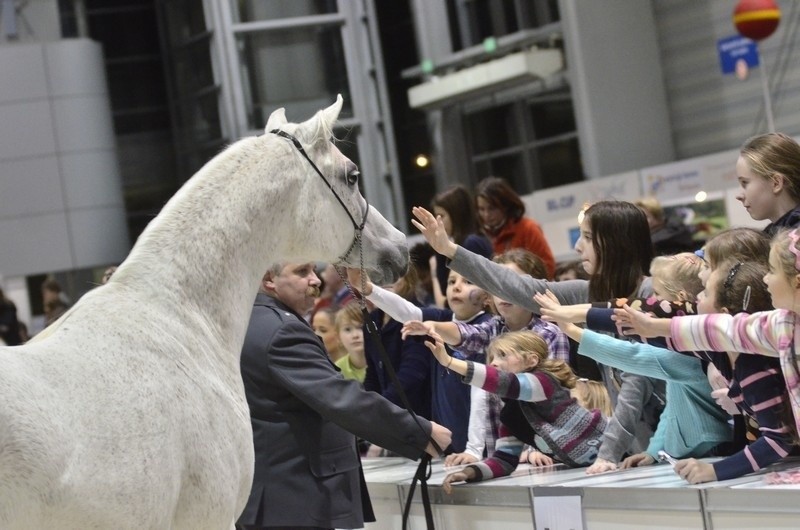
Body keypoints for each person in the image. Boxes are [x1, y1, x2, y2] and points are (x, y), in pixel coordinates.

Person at [412, 200, 667, 475]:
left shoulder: (652, 293)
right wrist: (450, 249)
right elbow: (517, 287)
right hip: (640, 452)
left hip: (675, 447)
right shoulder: (586, 292)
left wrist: (607, 454)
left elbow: (634, 382)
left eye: (588, 237)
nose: (578, 246)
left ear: (616, 243)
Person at [236, 262, 451, 530]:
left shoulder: (246, 322)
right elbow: (339, 398)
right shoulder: (281, 330)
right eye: (303, 272)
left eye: (314, 271)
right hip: (294, 498)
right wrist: (418, 430)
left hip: (272, 496)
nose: (315, 280)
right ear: (269, 279)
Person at [534, 250, 732, 472]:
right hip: (696, 449)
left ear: (681, 299)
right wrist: (654, 451)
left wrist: (570, 328)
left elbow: (631, 355)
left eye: (657, 294)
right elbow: (675, 408)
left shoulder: (690, 355)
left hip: (710, 451)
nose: (652, 302)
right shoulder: (686, 346)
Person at [615, 250, 800, 485]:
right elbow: (675, 332)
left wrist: (715, 471)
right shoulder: (775, 328)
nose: (766, 278)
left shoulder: (756, 360)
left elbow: (777, 439)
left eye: (772, 271)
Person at [401, 249, 570, 466]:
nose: (504, 293)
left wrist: (536, 448)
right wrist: (432, 326)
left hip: (545, 453)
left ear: (534, 287)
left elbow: (554, 400)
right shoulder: (493, 329)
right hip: (502, 455)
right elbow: (467, 334)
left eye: (513, 284)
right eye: (498, 285)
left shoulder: (550, 333)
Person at [423, 330, 606, 493]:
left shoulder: (545, 383)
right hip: (597, 469)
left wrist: (449, 361)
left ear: (531, 360)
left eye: (502, 356)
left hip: (617, 449)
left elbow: (506, 383)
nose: (494, 363)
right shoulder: (511, 415)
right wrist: (468, 473)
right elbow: (504, 460)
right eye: (491, 358)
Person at [348, 266, 492, 454]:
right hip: (450, 441)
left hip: (484, 442)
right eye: (451, 281)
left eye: (468, 282)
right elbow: (407, 312)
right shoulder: (442, 316)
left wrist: (474, 449)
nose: (456, 287)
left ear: (488, 296)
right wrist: (368, 289)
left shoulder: (489, 326)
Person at [474, 176, 556, 278]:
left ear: (505, 206)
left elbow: (548, 267)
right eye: (481, 209)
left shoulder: (528, 228)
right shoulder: (479, 235)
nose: (486, 215)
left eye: (492, 208)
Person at [430, 185, 493, 307]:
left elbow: (447, 303)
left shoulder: (471, 243)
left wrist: (433, 269)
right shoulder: (460, 243)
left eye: (441, 216)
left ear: (457, 215)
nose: (438, 223)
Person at [735, 132, 800, 236]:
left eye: (745, 183)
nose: (739, 196)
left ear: (776, 183)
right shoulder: (772, 238)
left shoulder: (794, 243)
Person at [334, 302, 367, 383]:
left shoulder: (383, 362)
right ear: (338, 337)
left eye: (361, 327)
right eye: (347, 329)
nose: (355, 335)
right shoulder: (337, 369)